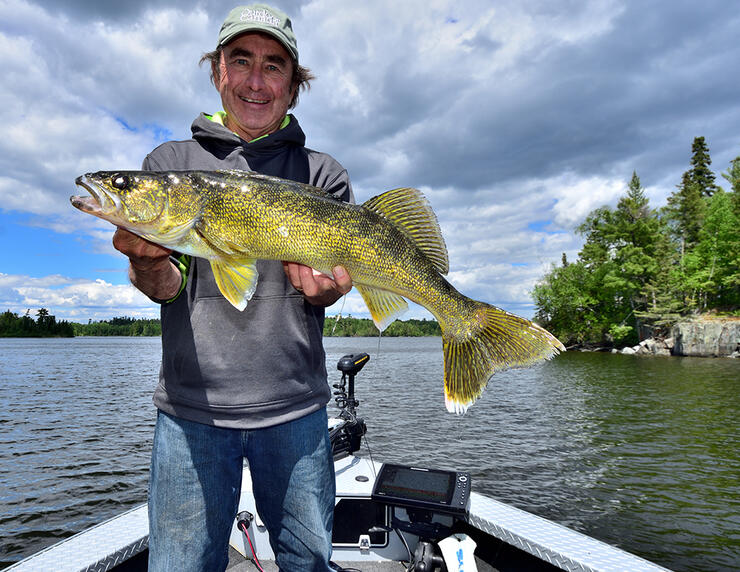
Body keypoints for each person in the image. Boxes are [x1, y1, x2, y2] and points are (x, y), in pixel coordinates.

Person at [112, 4, 353, 571]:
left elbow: (332, 286)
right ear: (218, 71)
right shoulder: (170, 164)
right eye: (239, 61)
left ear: (293, 87)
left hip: (297, 412)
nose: (254, 80)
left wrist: (326, 291)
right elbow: (166, 285)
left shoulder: (323, 173)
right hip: (191, 414)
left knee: (310, 562)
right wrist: (148, 265)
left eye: (274, 66)